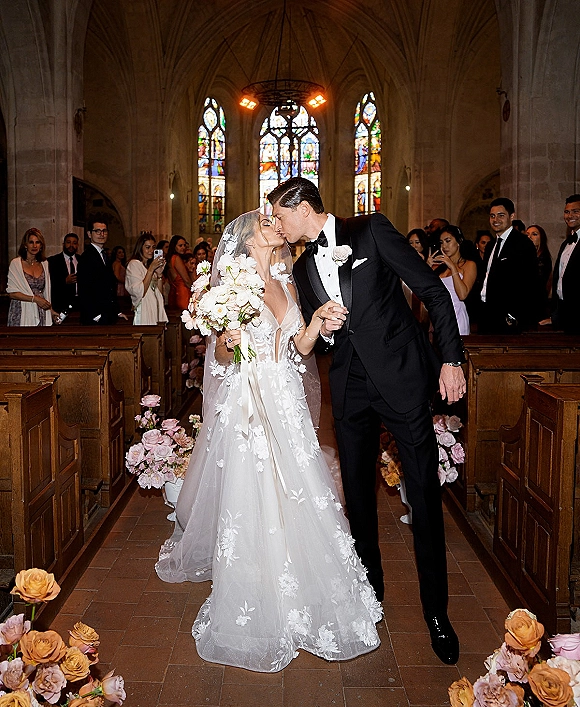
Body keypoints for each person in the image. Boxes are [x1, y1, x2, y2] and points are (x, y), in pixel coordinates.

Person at [156, 210, 383, 672]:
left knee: (298, 488)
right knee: (254, 490)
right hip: (249, 399)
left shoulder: (286, 276)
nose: (274, 227)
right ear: (246, 236)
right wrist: (230, 338)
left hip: (285, 395)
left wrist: (318, 321)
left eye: (276, 223)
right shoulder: (232, 283)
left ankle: (302, 581)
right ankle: (255, 589)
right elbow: (221, 351)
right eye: (265, 224)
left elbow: (297, 346)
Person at [270, 177, 465, 665]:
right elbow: (319, 335)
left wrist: (451, 360)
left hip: (400, 379)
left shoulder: (371, 229)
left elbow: (434, 294)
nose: (277, 222)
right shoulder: (302, 266)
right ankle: (369, 593)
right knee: (357, 497)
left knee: (423, 496)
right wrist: (327, 326)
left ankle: (437, 613)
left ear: (301, 206)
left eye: (280, 213)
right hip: (350, 388)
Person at [479, 197, 540, 334]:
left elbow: (530, 282)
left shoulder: (523, 244)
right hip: (487, 313)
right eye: (492, 216)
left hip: (508, 319)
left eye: (501, 215)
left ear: (511, 216)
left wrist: (513, 315)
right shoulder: (490, 246)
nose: (496, 220)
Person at [427, 225, 477, 335]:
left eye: (448, 241)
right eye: (441, 242)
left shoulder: (468, 265)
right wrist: (426, 269)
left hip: (457, 317)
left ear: (458, 241)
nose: (444, 246)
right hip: (438, 318)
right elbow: (427, 295)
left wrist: (453, 267)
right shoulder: (438, 268)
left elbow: (462, 295)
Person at [7, 228, 59, 326]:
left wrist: (51, 311)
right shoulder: (16, 264)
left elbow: (46, 292)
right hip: (21, 310)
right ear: (25, 245)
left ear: (41, 245)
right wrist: (35, 299)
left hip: (41, 310)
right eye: (31, 242)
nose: (34, 246)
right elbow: (12, 293)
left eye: (37, 242)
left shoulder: (44, 263)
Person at [77, 218, 121, 325]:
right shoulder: (86, 257)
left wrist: (117, 312)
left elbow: (110, 286)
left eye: (104, 231)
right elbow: (84, 289)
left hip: (107, 314)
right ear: (89, 234)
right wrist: (96, 316)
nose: (102, 234)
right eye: (97, 231)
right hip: (95, 317)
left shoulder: (104, 255)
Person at [550, 194, 580, 333]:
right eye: (567, 212)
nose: (570, 216)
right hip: (563, 312)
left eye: (575, 211)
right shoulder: (566, 244)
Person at [125, 232, 168, 325]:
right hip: (144, 309)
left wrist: (159, 275)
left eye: (153, 247)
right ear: (140, 248)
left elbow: (159, 294)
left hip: (155, 309)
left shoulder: (149, 266)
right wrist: (151, 270)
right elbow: (140, 292)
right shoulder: (134, 264)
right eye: (147, 247)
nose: (151, 251)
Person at [48, 232, 80, 317]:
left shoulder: (82, 260)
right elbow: (49, 283)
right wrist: (64, 281)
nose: (71, 245)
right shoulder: (52, 261)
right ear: (63, 244)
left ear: (77, 245)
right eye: (68, 242)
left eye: (74, 243)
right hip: (60, 304)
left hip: (79, 304)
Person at [525, 224, 552, 317]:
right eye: (527, 234)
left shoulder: (543, 260)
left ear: (542, 239)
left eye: (534, 234)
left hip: (536, 306)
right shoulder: (524, 257)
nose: (529, 237)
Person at [164, 234, 191, 310]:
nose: (183, 247)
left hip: (174, 292)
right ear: (174, 246)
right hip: (183, 293)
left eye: (184, 245)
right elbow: (186, 280)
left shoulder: (170, 258)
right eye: (180, 245)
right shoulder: (176, 258)